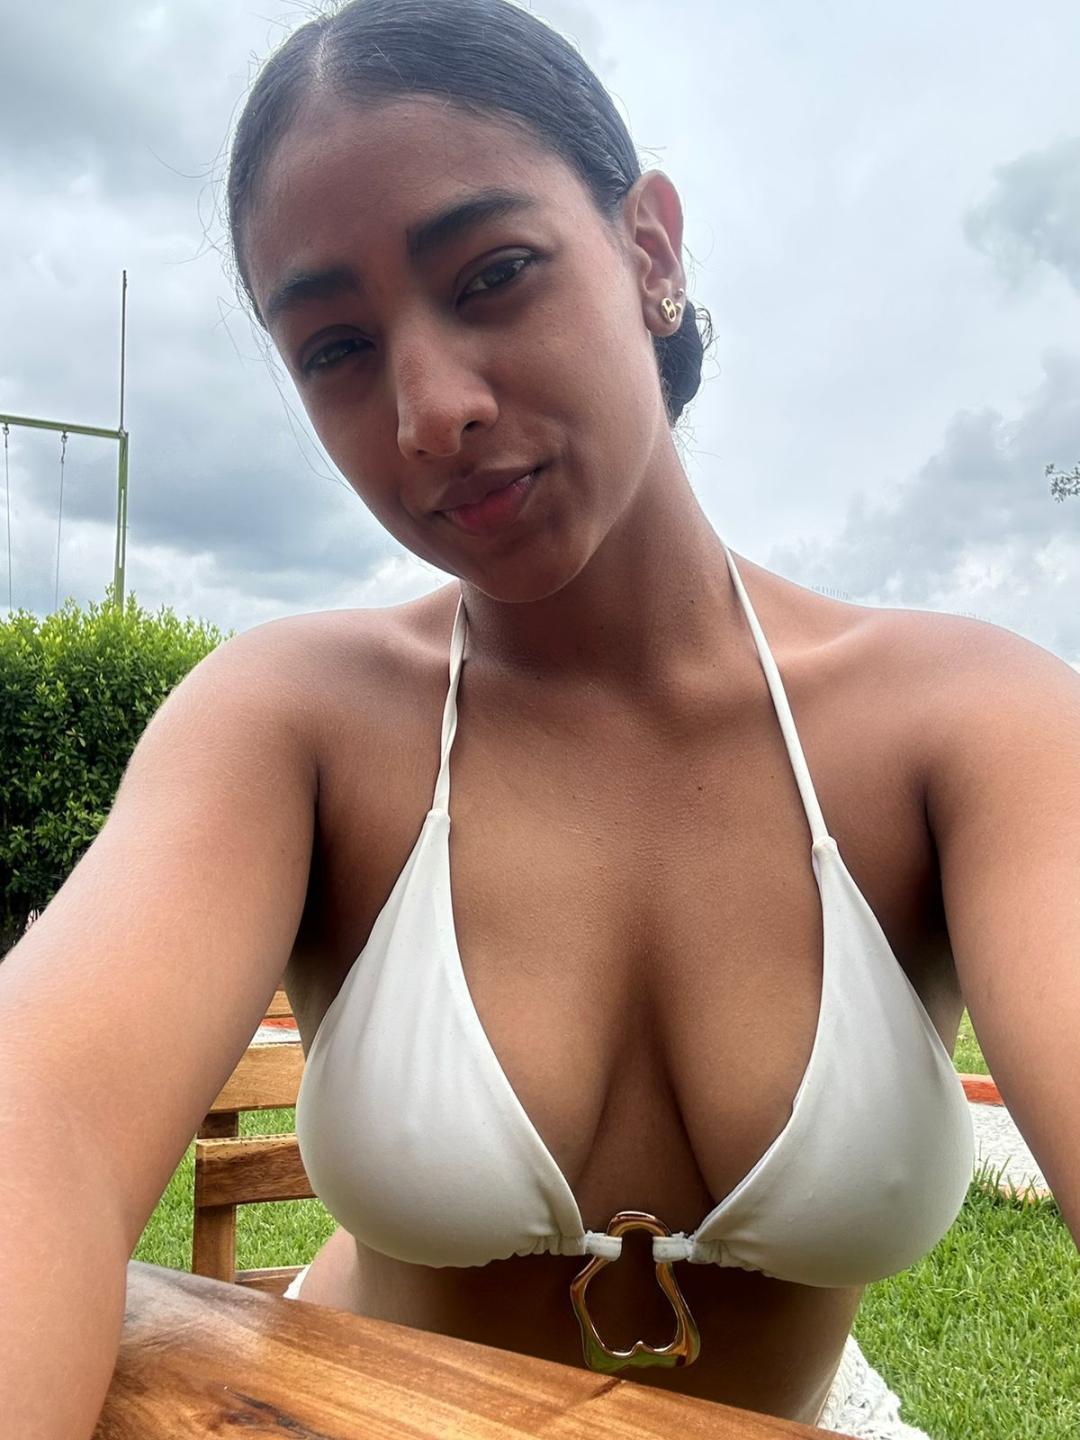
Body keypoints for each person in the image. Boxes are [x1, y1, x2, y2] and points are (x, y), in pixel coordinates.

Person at [2, 1, 1078, 1437]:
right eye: (334, 347)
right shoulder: (293, 728)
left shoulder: (970, 728)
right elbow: (40, 1126)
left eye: (495, 273)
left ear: (651, 254)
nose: (429, 410)